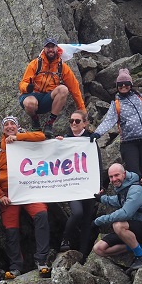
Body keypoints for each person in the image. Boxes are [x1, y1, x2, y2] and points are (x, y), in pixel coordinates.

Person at [0, 116, 52, 278]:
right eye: (6, 124)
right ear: (2, 129)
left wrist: (18, 137)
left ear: (18, 126)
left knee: (42, 215)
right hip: (8, 195)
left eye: (13, 124)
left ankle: (42, 260)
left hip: (30, 190)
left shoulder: (26, 139)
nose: (9, 126)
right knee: (11, 230)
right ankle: (16, 266)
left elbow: (42, 136)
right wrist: (0, 195)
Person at [90, 66, 142, 176]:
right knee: (134, 174)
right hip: (129, 143)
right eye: (120, 84)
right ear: (117, 86)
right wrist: (97, 133)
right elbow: (108, 121)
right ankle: (137, 191)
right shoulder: (116, 104)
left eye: (127, 83)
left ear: (131, 85)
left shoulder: (140, 98)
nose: (124, 86)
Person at [92, 163, 142, 270]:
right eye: (111, 177)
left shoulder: (136, 190)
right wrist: (101, 198)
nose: (114, 179)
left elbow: (125, 213)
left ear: (124, 174)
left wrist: (98, 221)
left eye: (116, 175)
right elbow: (118, 200)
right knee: (99, 249)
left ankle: (141, 256)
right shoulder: (124, 188)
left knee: (118, 225)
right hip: (133, 229)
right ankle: (139, 246)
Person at [19, 37, 86, 137]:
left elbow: (74, 88)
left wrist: (82, 109)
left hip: (47, 99)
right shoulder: (35, 63)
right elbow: (22, 84)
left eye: (53, 47)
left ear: (56, 48)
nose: (50, 49)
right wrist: (27, 87)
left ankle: (49, 124)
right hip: (32, 96)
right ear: (44, 49)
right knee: (30, 103)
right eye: (48, 47)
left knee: (64, 89)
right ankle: (35, 121)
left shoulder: (62, 67)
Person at [55, 109, 101, 259]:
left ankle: (83, 253)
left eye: (77, 121)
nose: (73, 123)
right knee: (77, 212)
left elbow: (98, 163)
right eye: (71, 121)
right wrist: (57, 145)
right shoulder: (65, 139)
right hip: (72, 185)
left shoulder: (91, 141)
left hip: (88, 185)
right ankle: (65, 238)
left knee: (87, 220)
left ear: (85, 124)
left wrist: (98, 184)